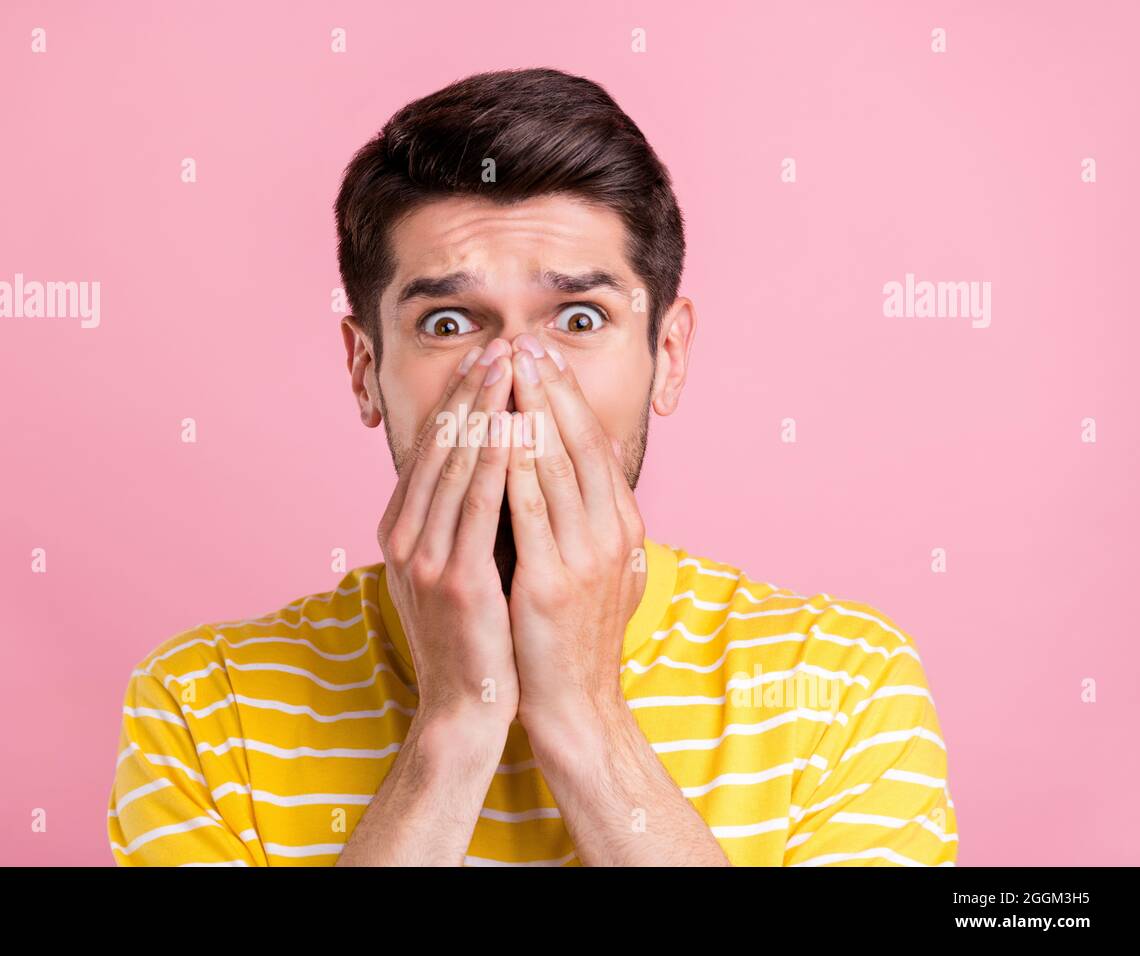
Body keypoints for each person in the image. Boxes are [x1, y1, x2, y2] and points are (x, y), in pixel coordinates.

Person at [107, 67, 958, 866]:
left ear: (667, 354)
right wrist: (454, 727)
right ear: (366, 371)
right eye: (449, 324)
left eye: (579, 320)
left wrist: (585, 721)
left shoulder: (840, 686)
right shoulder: (202, 704)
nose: (515, 376)